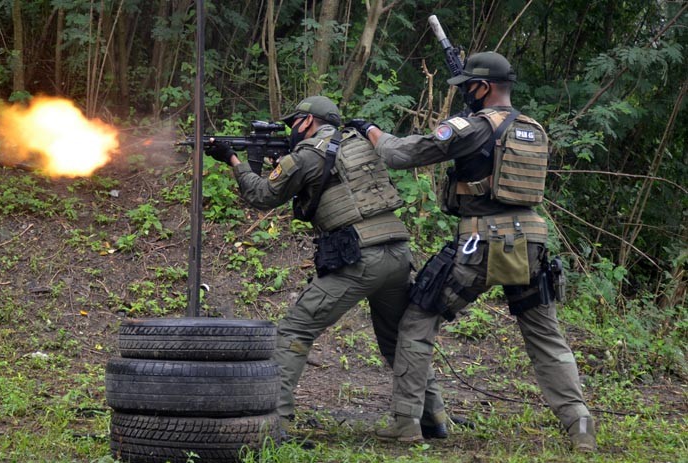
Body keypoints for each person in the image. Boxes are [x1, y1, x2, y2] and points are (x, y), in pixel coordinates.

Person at [346, 52, 597, 452]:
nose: (464, 94)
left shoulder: (475, 127)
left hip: (481, 242)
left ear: (484, 88)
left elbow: (401, 155)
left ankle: (406, 422)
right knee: (546, 336)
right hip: (532, 243)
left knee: (417, 319)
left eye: (468, 87)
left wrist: (371, 130)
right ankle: (580, 426)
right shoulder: (533, 128)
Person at [204, 96, 449, 441]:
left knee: (293, 331)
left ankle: (277, 421)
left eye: (294, 124)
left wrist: (232, 160)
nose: (291, 130)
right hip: (398, 251)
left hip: (360, 258)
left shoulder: (307, 155)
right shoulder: (360, 142)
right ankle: (430, 418)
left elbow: (261, 195)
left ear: (306, 122)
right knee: (398, 340)